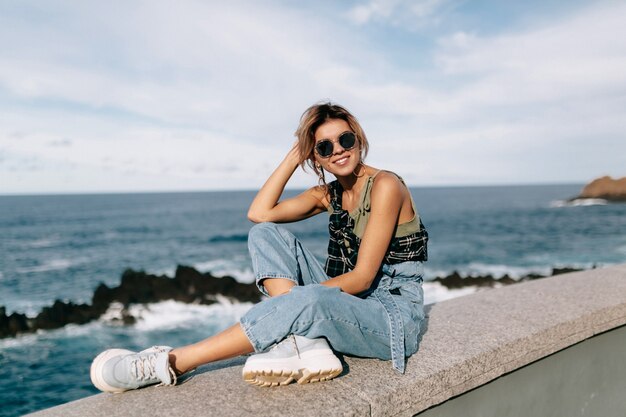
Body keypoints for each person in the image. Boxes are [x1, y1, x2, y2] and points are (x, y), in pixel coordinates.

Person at [90, 102, 428, 392]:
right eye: (323, 147)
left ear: (358, 139)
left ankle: (171, 362)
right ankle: (299, 342)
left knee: (305, 300)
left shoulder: (386, 185)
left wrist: (295, 303)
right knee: (265, 233)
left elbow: (363, 279)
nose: (337, 149)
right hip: (350, 302)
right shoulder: (328, 194)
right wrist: (295, 156)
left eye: (345, 139)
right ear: (316, 156)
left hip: (390, 316)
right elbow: (259, 214)